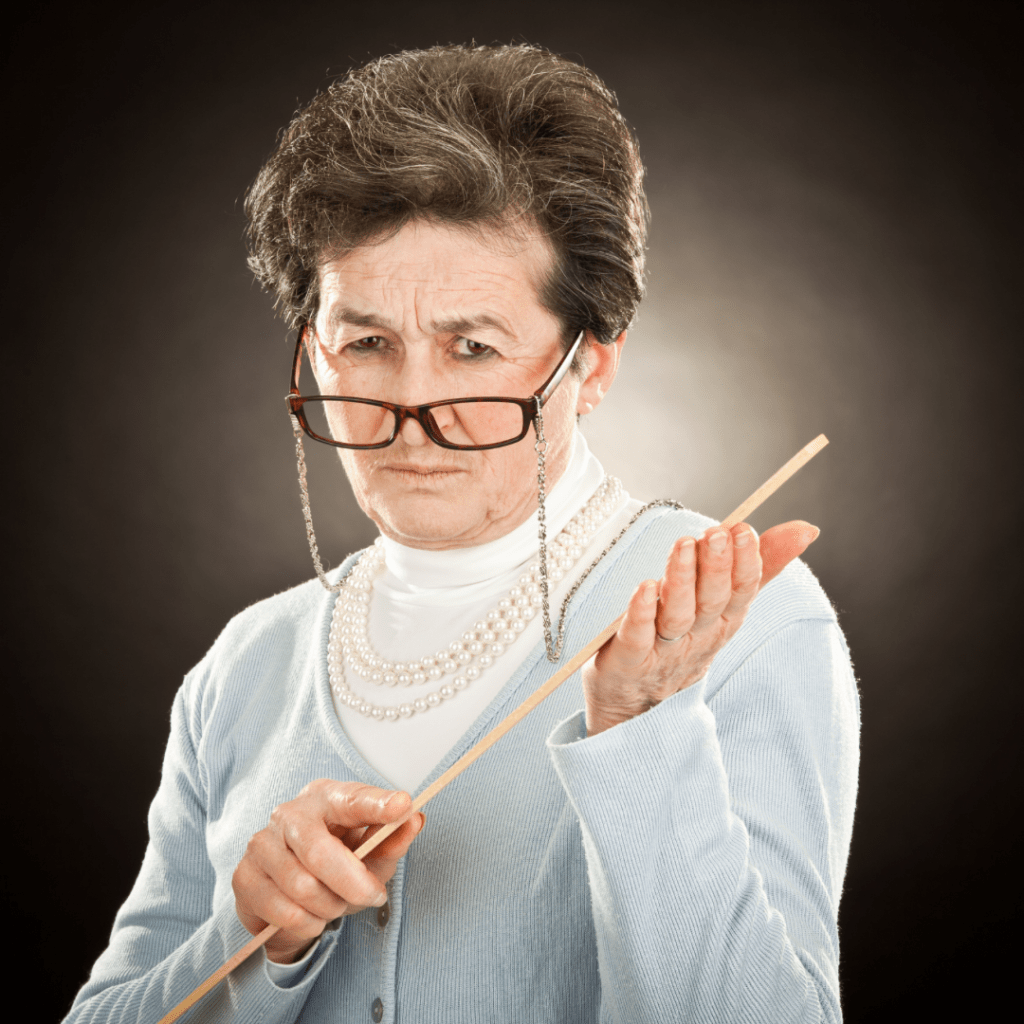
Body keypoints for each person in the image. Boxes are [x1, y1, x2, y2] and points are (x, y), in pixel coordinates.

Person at [64, 43, 859, 1023]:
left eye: (472, 348)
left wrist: (644, 734)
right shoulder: (245, 664)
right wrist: (252, 931)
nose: (412, 410)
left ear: (591, 365)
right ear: (313, 351)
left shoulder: (737, 617)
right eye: (366, 343)